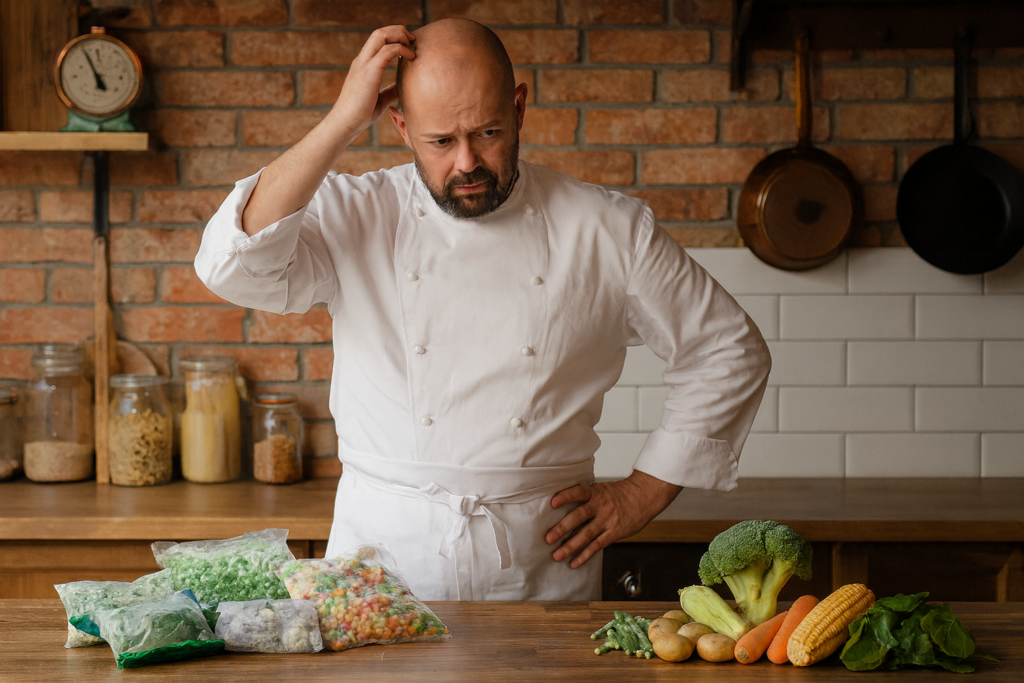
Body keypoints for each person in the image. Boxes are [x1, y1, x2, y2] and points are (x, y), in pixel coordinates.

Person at [195, 18, 771, 601]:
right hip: (382, 561)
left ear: (519, 110)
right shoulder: (359, 211)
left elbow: (726, 350)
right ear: (399, 124)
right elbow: (232, 264)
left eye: (488, 132)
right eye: (440, 141)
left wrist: (643, 492)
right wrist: (343, 119)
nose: (467, 162)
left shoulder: (607, 228)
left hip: (539, 561)